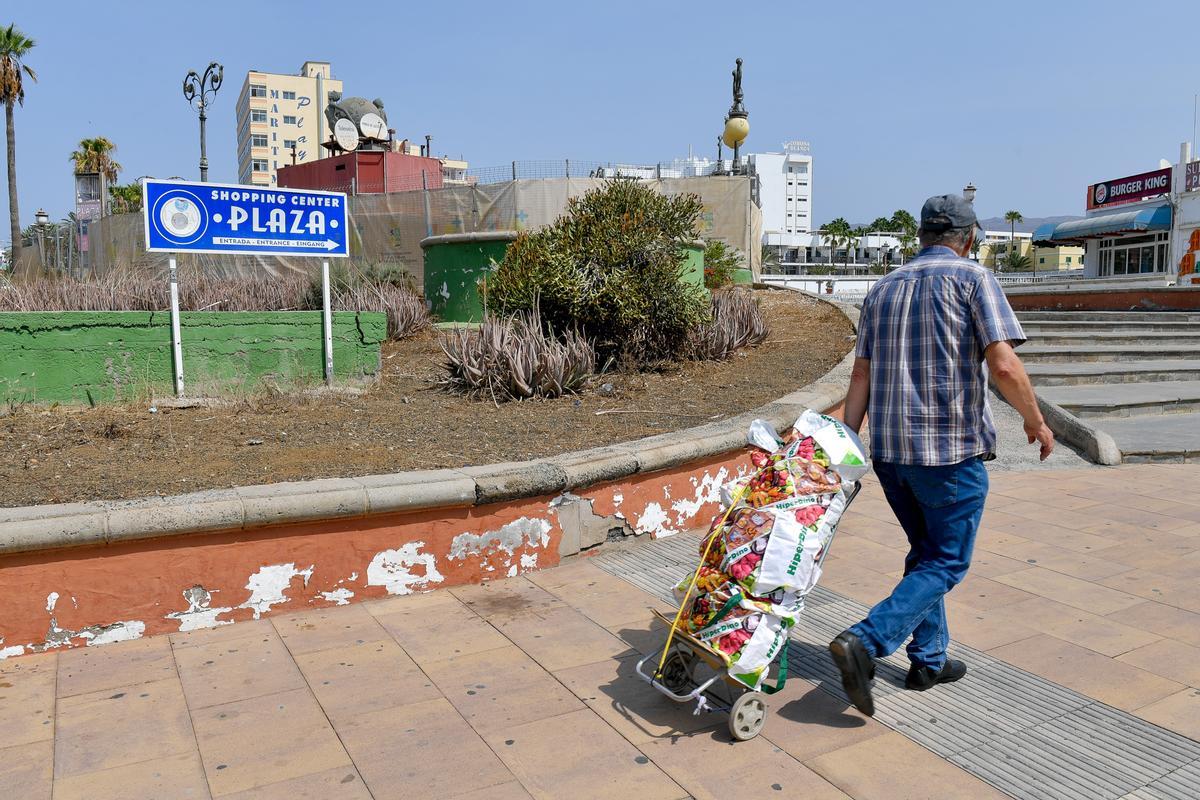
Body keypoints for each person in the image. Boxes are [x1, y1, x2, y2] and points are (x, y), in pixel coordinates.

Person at [828, 194, 1054, 717]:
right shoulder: (973, 280)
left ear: (922, 235)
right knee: (947, 559)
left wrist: (843, 442)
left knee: (925, 553)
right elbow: (1003, 364)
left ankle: (929, 659)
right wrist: (1035, 421)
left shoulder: (881, 289)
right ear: (969, 238)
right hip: (949, 454)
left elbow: (860, 375)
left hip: (890, 455)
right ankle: (866, 641)